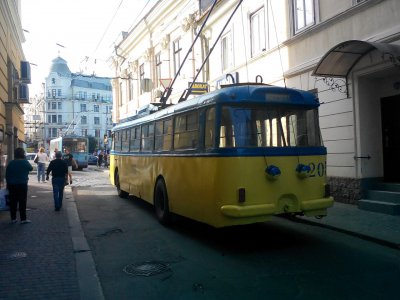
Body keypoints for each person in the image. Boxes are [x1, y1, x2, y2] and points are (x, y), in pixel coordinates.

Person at [6, 147, 33, 224]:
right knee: (22, 201)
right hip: (22, 184)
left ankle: (13, 218)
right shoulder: (25, 162)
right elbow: (31, 168)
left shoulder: (11, 163)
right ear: (23, 154)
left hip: (12, 185)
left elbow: (7, 174)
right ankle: (23, 219)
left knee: (13, 202)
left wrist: (8, 184)